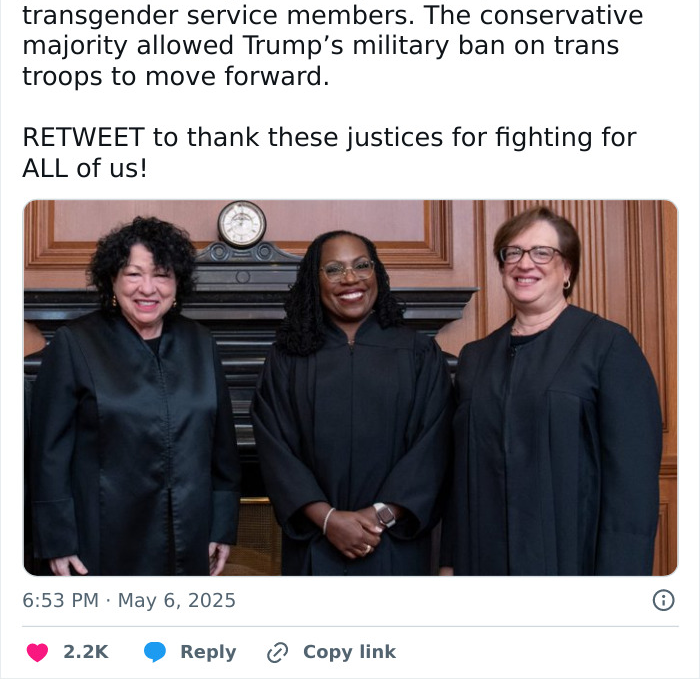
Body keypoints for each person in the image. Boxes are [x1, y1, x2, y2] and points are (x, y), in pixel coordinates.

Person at [440, 207, 662, 576]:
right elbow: (459, 476)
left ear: (568, 270)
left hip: (573, 561)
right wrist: (450, 562)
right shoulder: (476, 358)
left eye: (542, 253)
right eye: (513, 253)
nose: (525, 264)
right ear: (502, 268)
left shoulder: (607, 346)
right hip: (484, 562)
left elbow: (632, 483)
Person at [31, 217, 240, 576]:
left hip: (189, 534)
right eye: (133, 274)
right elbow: (48, 454)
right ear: (112, 279)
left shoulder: (201, 343)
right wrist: (56, 539)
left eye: (161, 274)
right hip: (100, 538)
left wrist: (221, 526)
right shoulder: (75, 343)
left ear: (177, 283)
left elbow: (223, 449)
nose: (148, 288)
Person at [252, 230, 453, 575]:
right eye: (333, 269)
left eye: (362, 265)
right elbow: (276, 449)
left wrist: (380, 516)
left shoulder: (417, 352)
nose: (350, 278)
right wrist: (328, 520)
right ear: (314, 281)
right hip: (315, 543)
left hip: (394, 543)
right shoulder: (288, 358)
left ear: (377, 273)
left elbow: (433, 445)